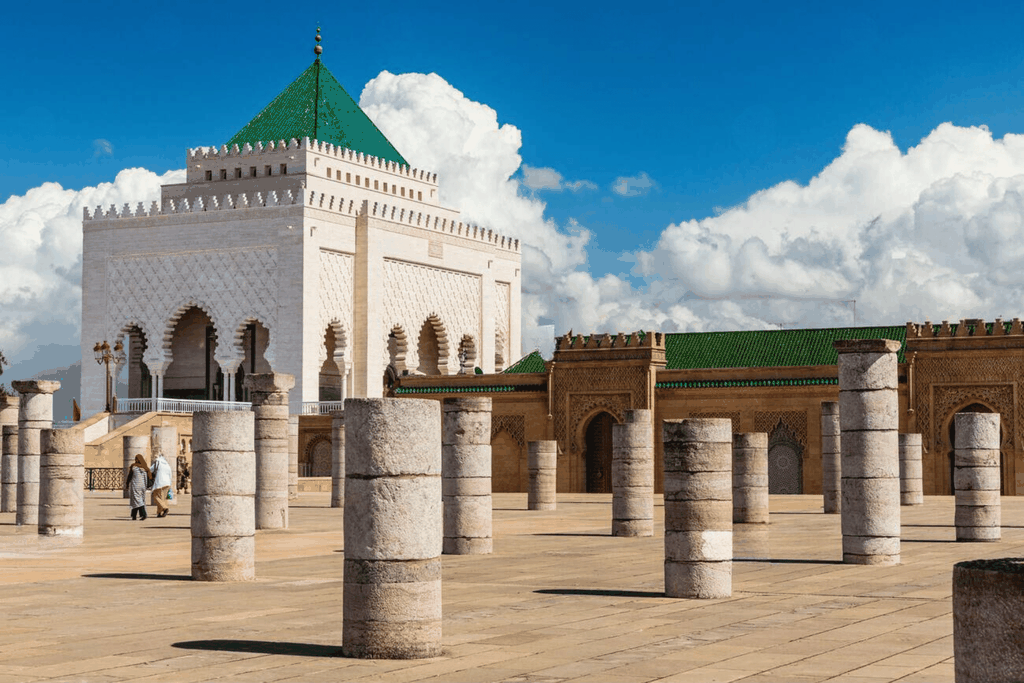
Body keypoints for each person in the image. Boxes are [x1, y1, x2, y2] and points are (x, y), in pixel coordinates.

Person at [123, 454, 150, 521]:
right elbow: (146, 478)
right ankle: (133, 515)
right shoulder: (145, 468)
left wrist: (127, 484)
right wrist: (145, 486)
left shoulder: (134, 467)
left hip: (135, 486)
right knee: (137, 500)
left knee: (137, 500)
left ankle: (143, 514)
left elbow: (129, 476)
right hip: (142, 486)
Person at [150, 450, 173, 518]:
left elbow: (151, 470)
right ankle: (159, 513)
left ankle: (165, 508)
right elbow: (170, 474)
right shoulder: (167, 464)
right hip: (167, 483)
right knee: (162, 498)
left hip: (160, 482)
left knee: (155, 496)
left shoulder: (157, 462)